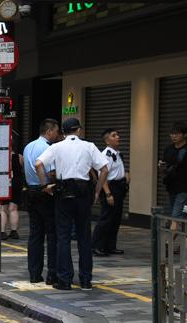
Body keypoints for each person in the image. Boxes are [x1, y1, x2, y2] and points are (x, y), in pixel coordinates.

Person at [35, 117, 109, 291]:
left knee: (63, 237)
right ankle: (85, 280)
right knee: (84, 236)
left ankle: (65, 280)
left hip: (63, 192)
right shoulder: (89, 146)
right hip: (84, 192)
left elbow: (38, 164)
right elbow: (104, 169)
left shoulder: (56, 146)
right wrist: (97, 191)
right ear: (79, 130)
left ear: (63, 131)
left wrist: (45, 185)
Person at [24, 119, 60, 285]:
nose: (58, 134)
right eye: (56, 131)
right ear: (49, 132)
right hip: (45, 191)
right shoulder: (48, 149)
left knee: (35, 234)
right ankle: (52, 273)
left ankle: (34, 273)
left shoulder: (28, 146)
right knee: (52, 234)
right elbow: (51, 172)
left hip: (31, 192)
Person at [92, 128, 130, 257]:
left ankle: (110, 246)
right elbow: (102, 176)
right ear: (107, 141)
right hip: (110, 188)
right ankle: (97, 246)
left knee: (115, 219)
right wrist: (108, 194)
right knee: (106, 219)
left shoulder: (117, 153)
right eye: (114, 135)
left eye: (118, 135)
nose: (118, 137)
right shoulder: (106, 155)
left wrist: (125, 176)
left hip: (119, 188)